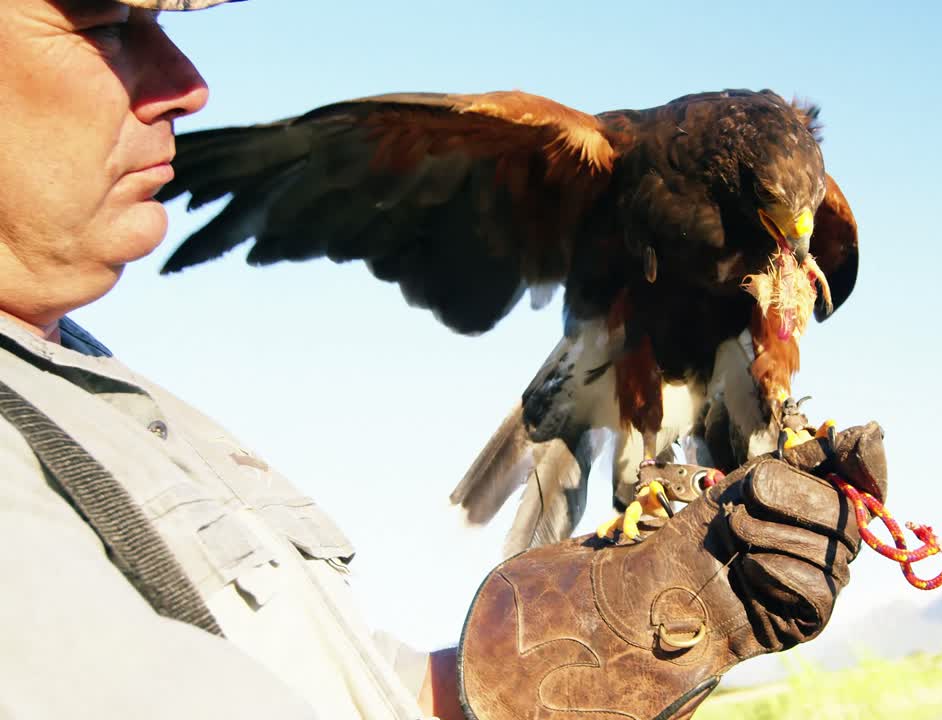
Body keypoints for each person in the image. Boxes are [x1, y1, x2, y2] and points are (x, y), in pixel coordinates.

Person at [0, 1, 871, 718]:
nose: (187, 84)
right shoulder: (599, 153)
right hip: (623, 348)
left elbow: (348, 692)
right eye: (104, 24)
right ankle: (654, 467)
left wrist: (571, 662)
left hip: (715, 355)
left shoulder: (107, 394)